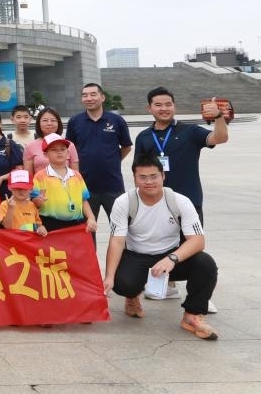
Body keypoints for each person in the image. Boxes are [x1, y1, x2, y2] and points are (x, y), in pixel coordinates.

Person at [103, 154, 219, 341]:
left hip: (170, 256)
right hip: (137, 255)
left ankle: (192, 315)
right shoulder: (124, 202)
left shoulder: (180, 201)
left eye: (154, 176)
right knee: (122, 283)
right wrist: (109, 276)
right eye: (142, 177)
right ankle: (132, 296)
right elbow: (116, 241)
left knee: (206, 264)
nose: (149, 182)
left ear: (163, 176)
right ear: (134, 178)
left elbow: (198, 240)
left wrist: (172, 258)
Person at [134, 88, 229, 223]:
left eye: (168, 104)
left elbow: (220, 138)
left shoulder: (190, 131)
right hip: (156, 203)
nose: (164, 108)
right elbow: (138, 172)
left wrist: (218, 117)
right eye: (158, 105)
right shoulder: (144, 137)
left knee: (193, 237)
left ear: (174, 106)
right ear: (149, 108)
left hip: (189, 201)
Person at [65, 83, 132, 228]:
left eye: (93, 94)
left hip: (113, 185)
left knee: (120, 228)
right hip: (85, 186)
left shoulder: (116, 120)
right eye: (85, 95)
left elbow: (127, 146)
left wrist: (113, 160)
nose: (89, 98)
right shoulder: (75, 121)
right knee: (87, 230)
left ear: (102, 97)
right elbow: (69, 149)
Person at [30, 134, 98, 234]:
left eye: (63, 149)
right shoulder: (39, 176)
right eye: (54, 150)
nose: (59, 152)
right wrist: (38, 201)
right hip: (50, 226)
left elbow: (84, 200)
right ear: (45, 154)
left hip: (76, 225)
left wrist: (91, 217)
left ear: (68, 152)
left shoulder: (76, 175)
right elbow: (33, 203)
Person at [23, 107, 79, 175]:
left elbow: (75, 175)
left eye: (53, 120)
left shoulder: (70, 145)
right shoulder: (30, 147)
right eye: (45, 120)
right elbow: (29, 176)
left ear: (58, 123)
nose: (49, 123)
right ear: (38, 123)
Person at [0, 169, 47, 236]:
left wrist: (41, 229)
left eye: (24, 188)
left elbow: (37, 225)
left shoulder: (32, 205)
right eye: (17, 187)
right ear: (9, 188)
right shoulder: (5, 204)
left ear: (31, 189)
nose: (20, 190)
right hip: (12, 241)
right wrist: (10, 208)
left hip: (30, 240)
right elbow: (7, 226)